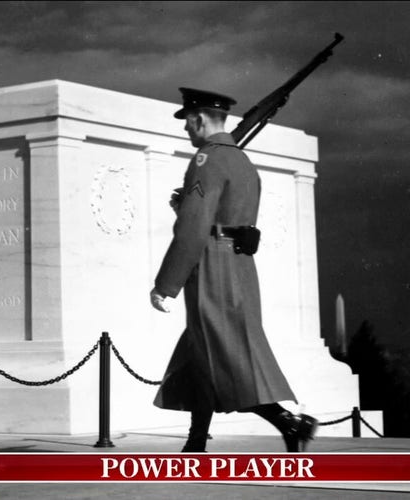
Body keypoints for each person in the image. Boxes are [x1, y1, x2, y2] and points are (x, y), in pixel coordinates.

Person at [149, 87, 318, 453]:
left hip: (212, 266)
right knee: (201, 354)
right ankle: (196, 443)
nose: (186, 129)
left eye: (187, 121)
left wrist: (166, 284)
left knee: (223, 355)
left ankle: (290, 423)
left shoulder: (206, 160)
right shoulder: (241, 161)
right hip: (237, 265)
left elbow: (193, 229)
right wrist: (187, 205)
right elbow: (227, 214)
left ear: (198, 119)